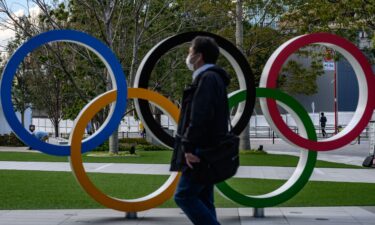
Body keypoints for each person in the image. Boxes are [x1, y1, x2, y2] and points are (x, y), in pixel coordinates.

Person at [170, 36, 231, 225]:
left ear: (199, 56)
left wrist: (188, 147)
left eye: (190, 51)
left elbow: (200, 117)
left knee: (184, 196)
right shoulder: (212, 78)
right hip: (209, 149)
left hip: (201, 150)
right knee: (204, 199)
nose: (188, 55)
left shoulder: (207, 79)